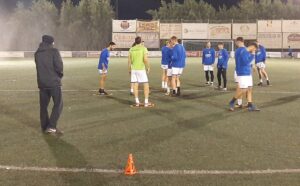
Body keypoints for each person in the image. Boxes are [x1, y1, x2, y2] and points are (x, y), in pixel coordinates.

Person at [34, 35, 64, 135]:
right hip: (54, 83)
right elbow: (59, 67)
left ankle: (45, 126)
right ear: (51, 42)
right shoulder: (54, 51)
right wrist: (59, 77)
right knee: (58, 104)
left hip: (42, 83)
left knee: (43, 106)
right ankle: (51, 126)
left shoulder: (37, 53)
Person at [229, 42, 260, 112]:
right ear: (253, 47)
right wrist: (252, 55)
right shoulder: (244, 51)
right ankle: (232, 102)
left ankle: (250, 105)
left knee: (249, 89)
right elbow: (246, 62)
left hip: (247, 72)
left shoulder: (246, 51)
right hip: (242, 73)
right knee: (244, 90)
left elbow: (248, 62)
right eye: (255, 49)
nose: (254, 51)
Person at [128, 36, 153, 107]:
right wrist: (148, 66)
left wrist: (129, 69)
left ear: (135, 41)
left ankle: (137, 101)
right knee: (146, 85)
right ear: (141, 41)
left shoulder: (131, 49)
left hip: (134, 69)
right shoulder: (143, 48)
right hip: (141, 69)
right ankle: (146, 102)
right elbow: (145, 59)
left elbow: (129, 61)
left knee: (135, 85)